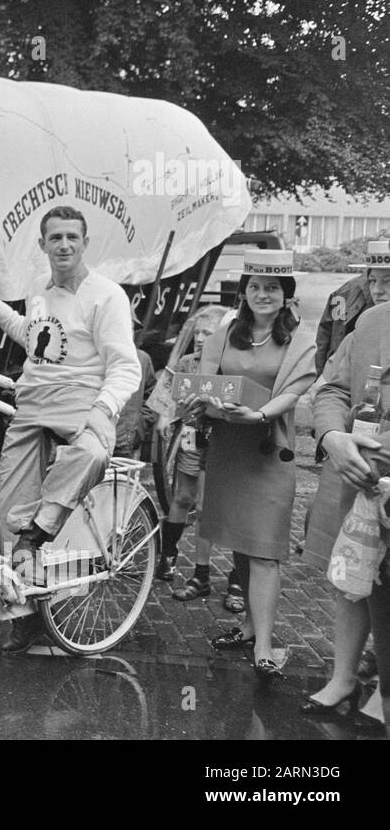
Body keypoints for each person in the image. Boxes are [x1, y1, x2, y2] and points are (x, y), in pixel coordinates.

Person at [0, 205, 142, 654]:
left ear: (85, 243)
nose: (63, 245)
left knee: (91, 454)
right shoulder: (39, 291)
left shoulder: (106, 296)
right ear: (42, 244)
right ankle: (25, 610)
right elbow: (34, 335)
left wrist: (104, 410)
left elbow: (125, 366)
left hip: (80, 402)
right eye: (55, 238)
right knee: (8, 511)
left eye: (72, 237)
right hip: (32, 404)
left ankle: (38, 532)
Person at [190, 250, 316, 680]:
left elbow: (293, 394)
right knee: (241, 544)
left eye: (273, 288)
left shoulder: (299, 338)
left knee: (264, 551)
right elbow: (206, 379)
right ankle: (247, 629)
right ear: (244, 291)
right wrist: (209, 403)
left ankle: (264, 646)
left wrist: (260, 415)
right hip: (229, 448)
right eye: (255, 287)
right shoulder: (226, 331)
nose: (263, 294)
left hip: (267, 450)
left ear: (286, 295)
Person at [299, 301, 390, 729]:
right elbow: (332, 389)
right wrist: (333, 435)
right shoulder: (372, 321)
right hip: (362, 486)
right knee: (355, 582)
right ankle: (349, 680)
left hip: (375, 471)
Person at [157, 305, 230, 590]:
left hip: (218, 439)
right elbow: (167, 398)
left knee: (205, 505)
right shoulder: (187, 362)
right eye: (198, 332)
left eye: (207, 333)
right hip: (191, 436)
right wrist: (164, 416)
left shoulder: (228, 365)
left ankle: (204, 570)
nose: (200, 338)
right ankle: (168, 555)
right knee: (182, 496)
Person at [314, 239, 390, 373]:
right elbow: (327, 340)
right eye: (372, 280)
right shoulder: (345, 294)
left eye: (388, 281)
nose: (377, 290)